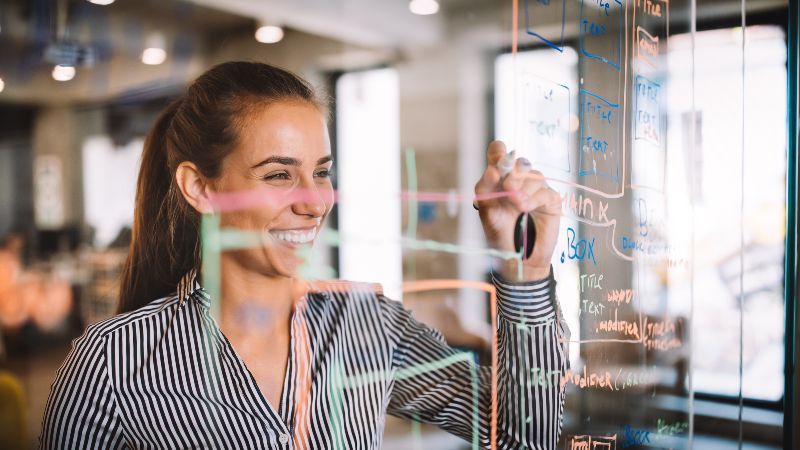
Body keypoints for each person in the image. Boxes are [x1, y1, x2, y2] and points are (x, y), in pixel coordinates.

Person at [40, 61, 568, 450]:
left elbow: (527, 439)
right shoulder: (112, 362)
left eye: (321, 171)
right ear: (200, 187)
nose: (315, 201)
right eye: (277, 174)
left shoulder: (366, 326)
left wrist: (526, 270)